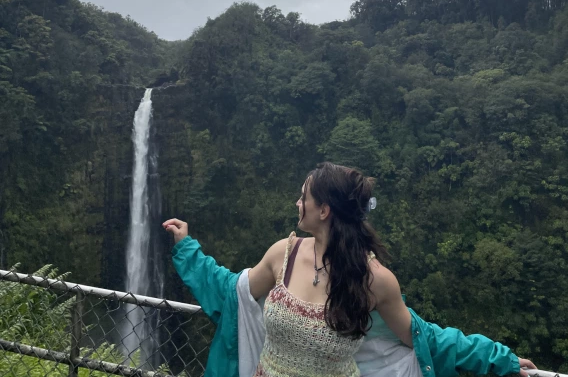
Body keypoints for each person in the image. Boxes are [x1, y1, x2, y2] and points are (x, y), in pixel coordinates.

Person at [164, 162, 537, 377]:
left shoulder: (376, 281)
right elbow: (232, 291)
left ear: (323, 210)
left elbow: (424, 338)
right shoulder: (284, 253)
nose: (297, 203)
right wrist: (187, 248)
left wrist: (498, 359)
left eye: (303, 196)